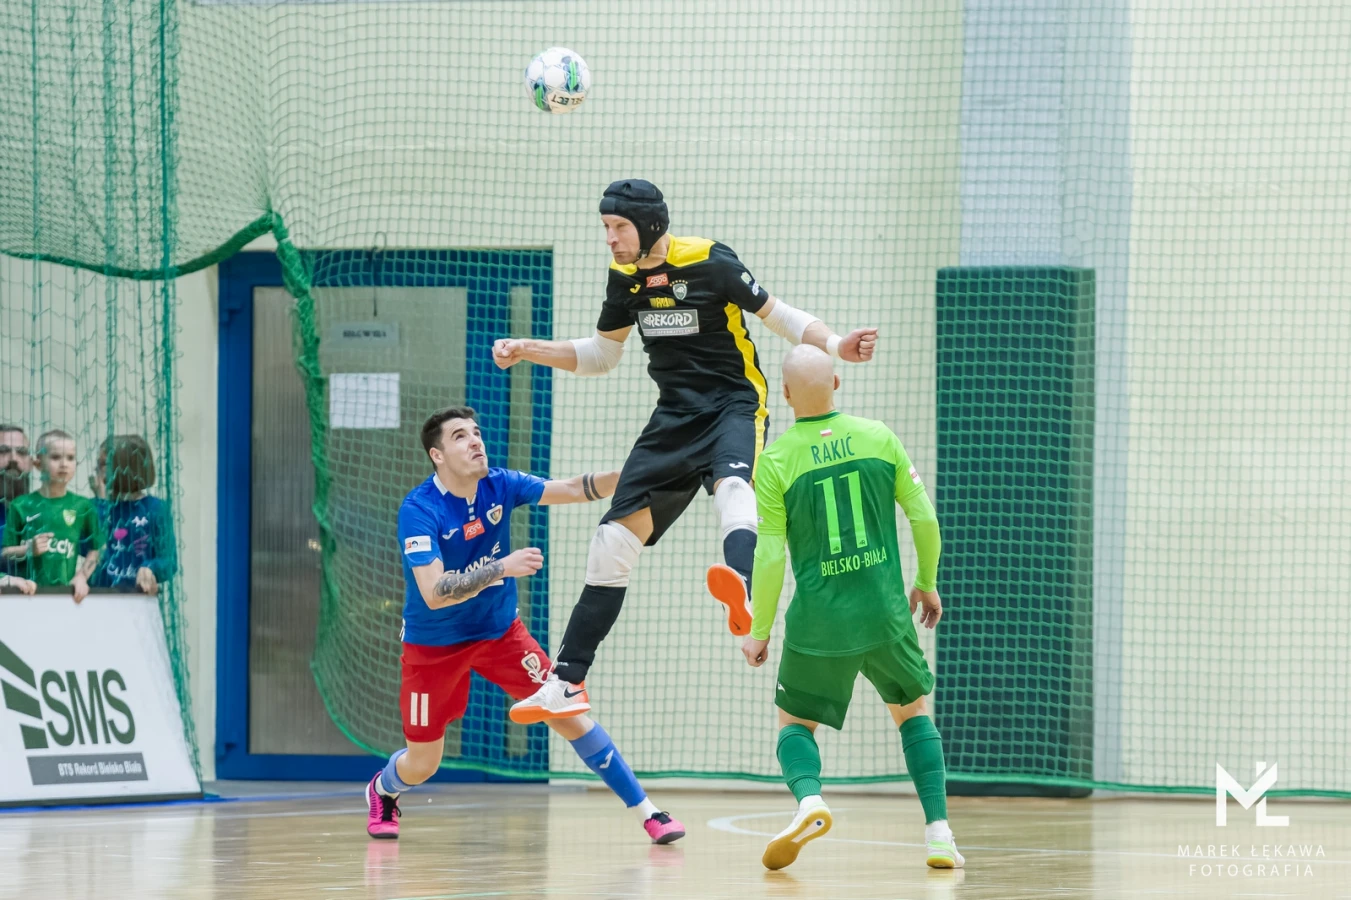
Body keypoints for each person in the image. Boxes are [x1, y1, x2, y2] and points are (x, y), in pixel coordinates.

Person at [495, 179, 878, 722]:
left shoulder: (709, 260)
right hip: (673, 417)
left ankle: (741, 587)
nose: (610, 238)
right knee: (610, 542)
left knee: (733, 486)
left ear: (648, 223)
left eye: (618, 227)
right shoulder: (625, 278)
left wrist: (837, 345)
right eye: (605, 227)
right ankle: (567, 681)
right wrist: (528, 348)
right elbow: (602, 355)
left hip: (733, 405)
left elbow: (778, 314)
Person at [366, 406, 684, 845]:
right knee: (423, 764)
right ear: (437, 455)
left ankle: (649, 813)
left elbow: (572, 488)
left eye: (476, 432)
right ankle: (383, 790)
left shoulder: (500, 484)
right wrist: (503, 567)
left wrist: (636, 473)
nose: (475, 441)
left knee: (568, 713)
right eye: (460, 436)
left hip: (500, 635)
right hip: (434, 645)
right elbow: (435, 593)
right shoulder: (419, 509)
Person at [741, 345, 963, 871]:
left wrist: (759, 630)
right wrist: (926, 583)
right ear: (837, 383)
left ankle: (810, 802)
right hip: (885, 613)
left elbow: (769, 555)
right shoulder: (878, 437)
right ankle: (939, 834)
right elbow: (924, 518)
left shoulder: (774, 462)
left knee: (795, 725)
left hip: (819, 622)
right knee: (912, 713)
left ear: (785, 394)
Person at [1, 430, 103, 601]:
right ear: (37, 464)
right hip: (26, 595)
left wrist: (82, 576)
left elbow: (98, 547)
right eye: (55, 457)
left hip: (66, 597)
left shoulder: (83, 506)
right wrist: (27, 550)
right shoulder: (20, 505)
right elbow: (5, 552)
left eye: (70, 458)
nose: (64, 464)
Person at [89, 435, 175, 594]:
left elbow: (170, 562)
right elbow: (88, 547)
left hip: (139, 598)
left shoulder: (156, 508)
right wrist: (101, 501)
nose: (96, 470)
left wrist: (150, 568)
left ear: (125, 467)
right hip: (98, 597)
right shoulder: (94, 506)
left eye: (103, 464)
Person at [0, 424, 33, 581]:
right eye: (3, 451)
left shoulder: (45, 510)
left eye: (21, 452)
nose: (13, 458)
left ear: (31, 464)